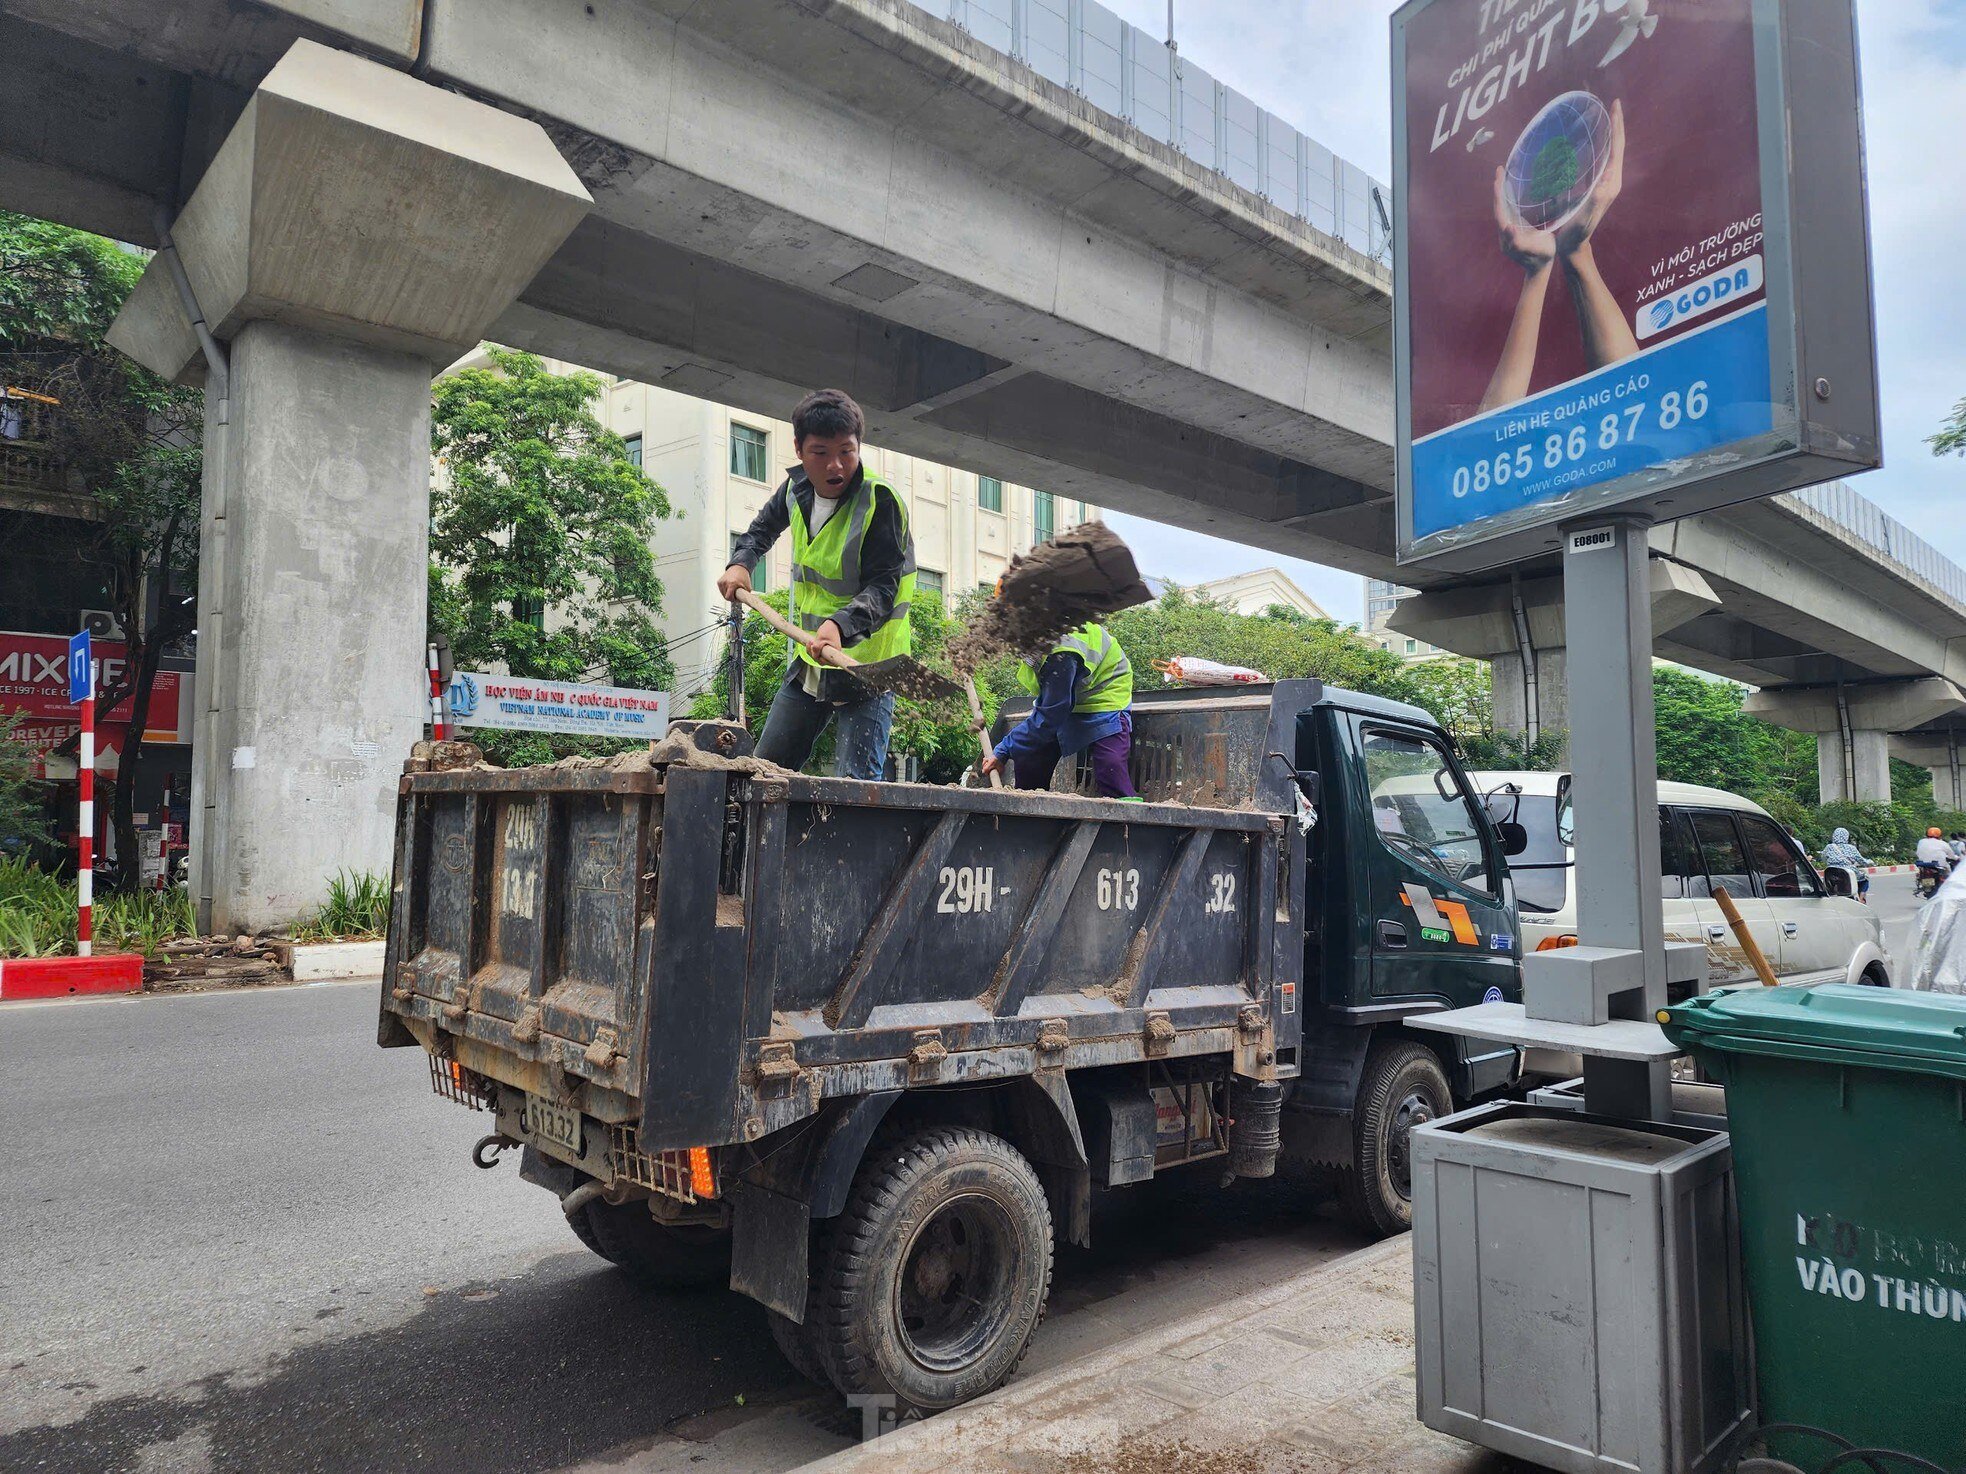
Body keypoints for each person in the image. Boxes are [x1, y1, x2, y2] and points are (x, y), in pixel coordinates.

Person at [717, 389, 916, 781]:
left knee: (852, 789)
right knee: (763, 772)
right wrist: (741, 564)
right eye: (821, 452)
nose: (836, 465)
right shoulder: (795, 489)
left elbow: (883, 586)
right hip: (814, 657)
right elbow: (760, 531)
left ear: (860, 446)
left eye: (847, 451)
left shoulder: (880, 502)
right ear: (799, 449)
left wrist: (840, 625)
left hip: (871, 667)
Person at [981, 622, 1138, 799]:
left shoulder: (1062, 648)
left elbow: (1051, 715)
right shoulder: (1039, 637)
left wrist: (1003, 749)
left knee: (1110, 766)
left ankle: (1126, 822)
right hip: (1068, 697)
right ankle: (1028, 814)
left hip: (1105, 697)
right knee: (1029, 755)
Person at [1820, 826, 1872, 903]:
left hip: (1832, 876)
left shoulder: (1829, 847)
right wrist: (1870, 862)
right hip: (1848, 874)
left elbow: (1823, 859)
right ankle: (1861, 900)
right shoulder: (1851, 848)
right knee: (1865, 879)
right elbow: (1862, 861)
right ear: (1846, 837)